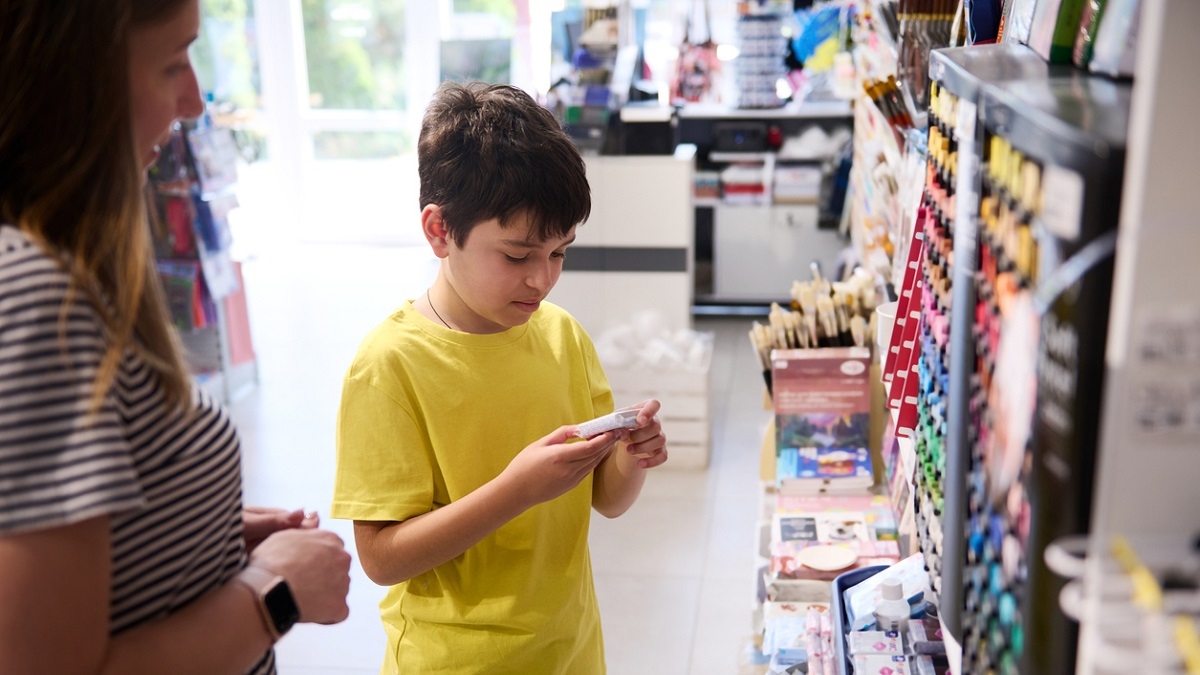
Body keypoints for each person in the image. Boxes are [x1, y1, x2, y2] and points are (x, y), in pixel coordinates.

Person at [0, 1, 352, 673]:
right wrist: (273, 595)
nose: (192, 102)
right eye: (171, 63)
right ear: (68, 80)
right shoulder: (36, 297)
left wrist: (191, 525)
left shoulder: (60, 273)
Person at [331, 82, 669, 674]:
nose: (542, 280)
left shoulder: (562, 336)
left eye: (560, 253)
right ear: (439, 231)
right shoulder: (389, 366)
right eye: (517, 256)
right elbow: (382, 557)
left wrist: (630, 458)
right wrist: (517, 490)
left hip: (570, 649)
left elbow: (607, 502)